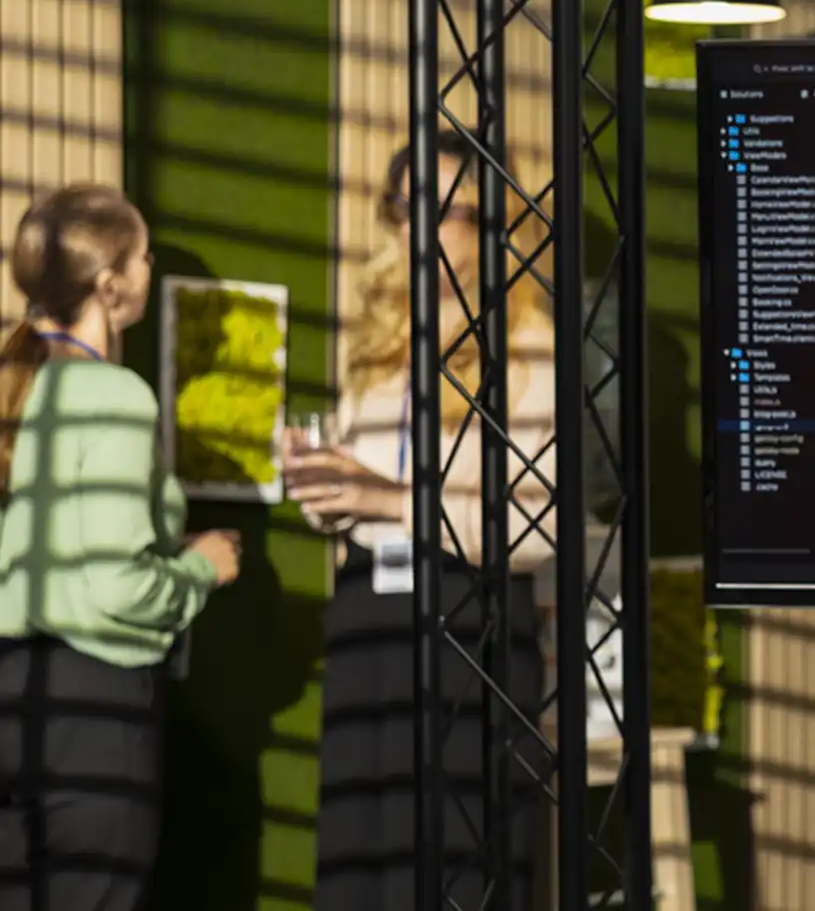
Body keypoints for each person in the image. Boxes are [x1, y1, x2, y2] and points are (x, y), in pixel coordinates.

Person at [285, 136, 557, 910]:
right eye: (406, 209)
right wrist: (322, 481)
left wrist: (392, 500)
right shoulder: (383, 346)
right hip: (369, 620)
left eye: (441, 208)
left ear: (492, 221)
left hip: (471, 627)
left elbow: (539, 529)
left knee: (454, 867)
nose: (418, 227)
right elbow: (363, 496)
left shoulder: (530, 353)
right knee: (362, 862)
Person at [0, 183, 242, 909]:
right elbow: (113, 585)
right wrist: (200, 570)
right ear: (110, 286)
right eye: (143, 256)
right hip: (93, 716)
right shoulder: (116, 397)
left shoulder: (17, 388)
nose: (150, 268)